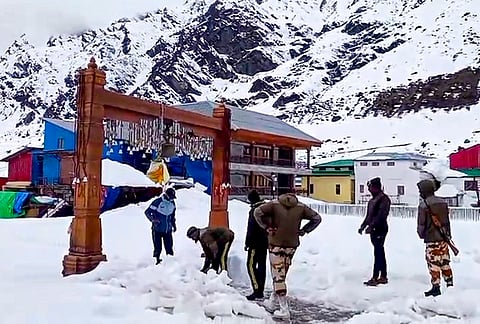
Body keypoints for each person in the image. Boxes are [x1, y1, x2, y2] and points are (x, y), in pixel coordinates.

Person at [254, 192, 322, 319]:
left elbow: (257, 212)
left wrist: (266, 227)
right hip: (292, 245)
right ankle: (273, 302)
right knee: (281, 273)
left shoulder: (274, 204)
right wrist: (304, 230)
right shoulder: (301, 207)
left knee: (278, 275)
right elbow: (317, 218)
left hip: (275, 243)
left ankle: (284, 309)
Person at [417, 179, 453, 297]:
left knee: (433, 263)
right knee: (445, 261)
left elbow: (421, 225)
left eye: (420, 190)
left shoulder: (423, 205)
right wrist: (448, 235)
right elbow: (447, 222)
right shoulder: (443, 203)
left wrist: (421, 234)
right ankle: (450, 283)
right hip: (443, 238)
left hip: (431, 239)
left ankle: (436, 287)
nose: (420, 193)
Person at [358, 177, 391, 286]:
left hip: (380, 229)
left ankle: (376, 277)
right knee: (379, 251)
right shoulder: (373, 200)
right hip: (374, 229)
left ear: (376, 188)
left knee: (378, 252)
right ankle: (383, 276)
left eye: (370, 188)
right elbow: (369, 216)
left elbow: (381, 216)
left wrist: (371, 226)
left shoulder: (384, 199)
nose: (369, 190)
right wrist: (363, 226)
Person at [244, 190, 268, 301]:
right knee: (262, 266)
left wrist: (247, 243)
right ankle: (261, 289)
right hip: (265, 242)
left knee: (250, 265)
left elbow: (251, 228)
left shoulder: (254, 211)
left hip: (255, 243)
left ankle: (257, 289)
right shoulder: (266, 209)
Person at [145, 187, 177, 265]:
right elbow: (147, 212)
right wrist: (153, 219)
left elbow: (172, 216)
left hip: (168, 230)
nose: (172, 199)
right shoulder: (157, 202)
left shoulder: (172, 203)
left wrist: (174, 225)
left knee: (169, 248)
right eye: (171, 197)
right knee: (158, 248)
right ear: (166, 195)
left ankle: (170, 263)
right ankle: (156, 262)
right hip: (157, 230)